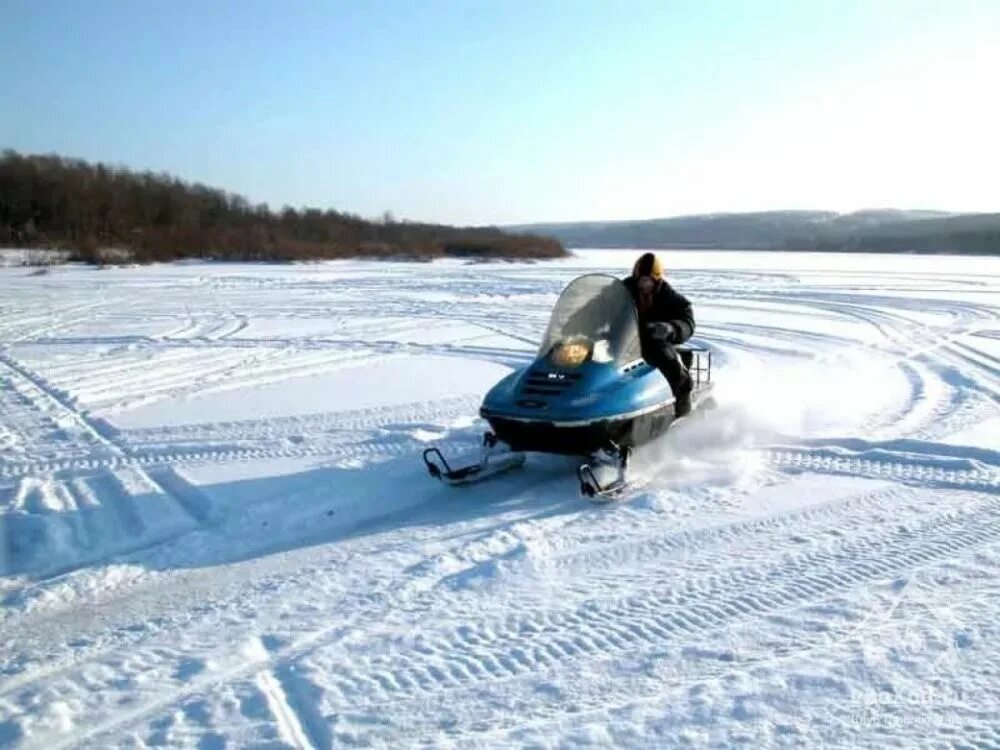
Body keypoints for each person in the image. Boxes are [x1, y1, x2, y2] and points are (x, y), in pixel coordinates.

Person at [622, 252, 695, 416]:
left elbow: (687, 319)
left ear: (656, 280)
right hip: (622, 339)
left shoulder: (668, 296)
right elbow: (600, 304)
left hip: (654, 341)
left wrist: (671, 328)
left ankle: (682, 410)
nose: (642, 284)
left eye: (646, 280)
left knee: (672, 368)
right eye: (640, 279)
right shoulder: (622, 290)